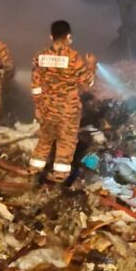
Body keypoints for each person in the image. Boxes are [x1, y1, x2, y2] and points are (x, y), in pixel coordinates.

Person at [30, 20, 96, 183]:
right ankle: (59, 176)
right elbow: (88, 83)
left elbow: (35, 84)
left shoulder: (40, 56)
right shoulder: (74, 58)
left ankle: (33, 170)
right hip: (68, 110)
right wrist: (91, 65)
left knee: (44, 140)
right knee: (66, 143)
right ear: (69, 37)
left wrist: (38, 105)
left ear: (51, 36)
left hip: (47, 108)